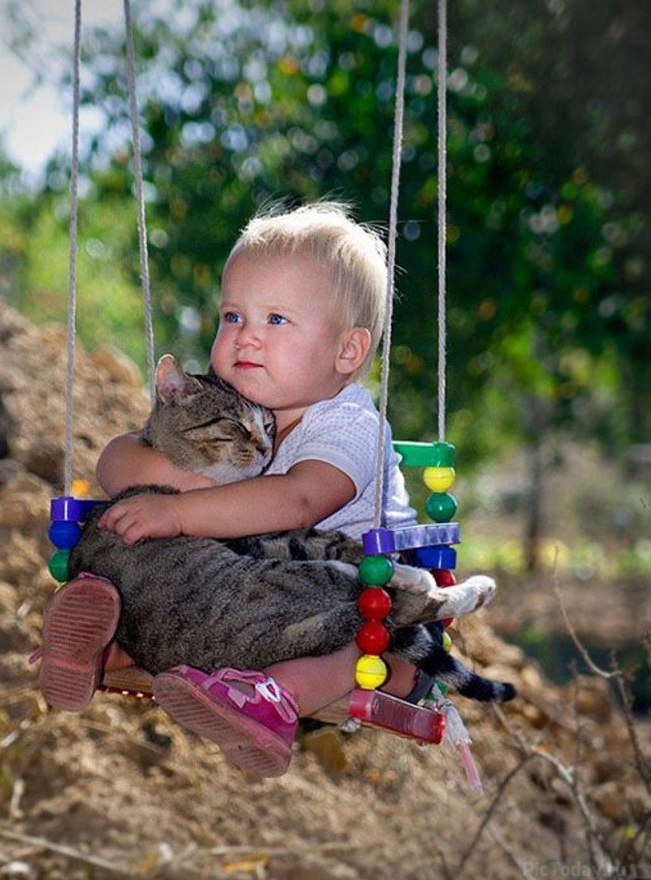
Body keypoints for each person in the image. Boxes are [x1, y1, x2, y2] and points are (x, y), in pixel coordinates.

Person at [41, 201, 432, 776]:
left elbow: (298, 501)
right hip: (254, 596)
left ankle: (269, 702)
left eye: (276, 320)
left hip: (367, 597)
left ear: (347, 350)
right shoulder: (239, 404)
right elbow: (120, 457)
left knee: (351, 639)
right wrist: (178, 486)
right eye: (232, 317)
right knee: (149, 557)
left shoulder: (349, 424)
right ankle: (104, 643)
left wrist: (179, 512)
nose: (246, 338)